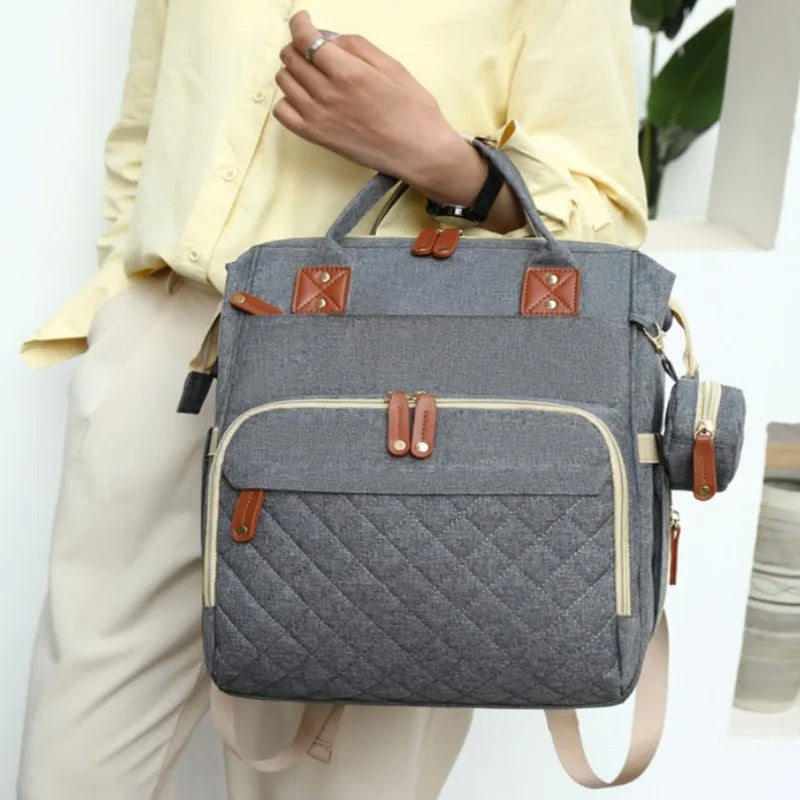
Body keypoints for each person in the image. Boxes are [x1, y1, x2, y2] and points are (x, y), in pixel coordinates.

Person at [16, 2, 648, 798]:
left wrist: (441, 161)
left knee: (337, 782)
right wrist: (127, 306)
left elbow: (604, 222)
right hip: (172, 356)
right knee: (72, 768)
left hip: (392, 389)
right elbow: (144, 132)